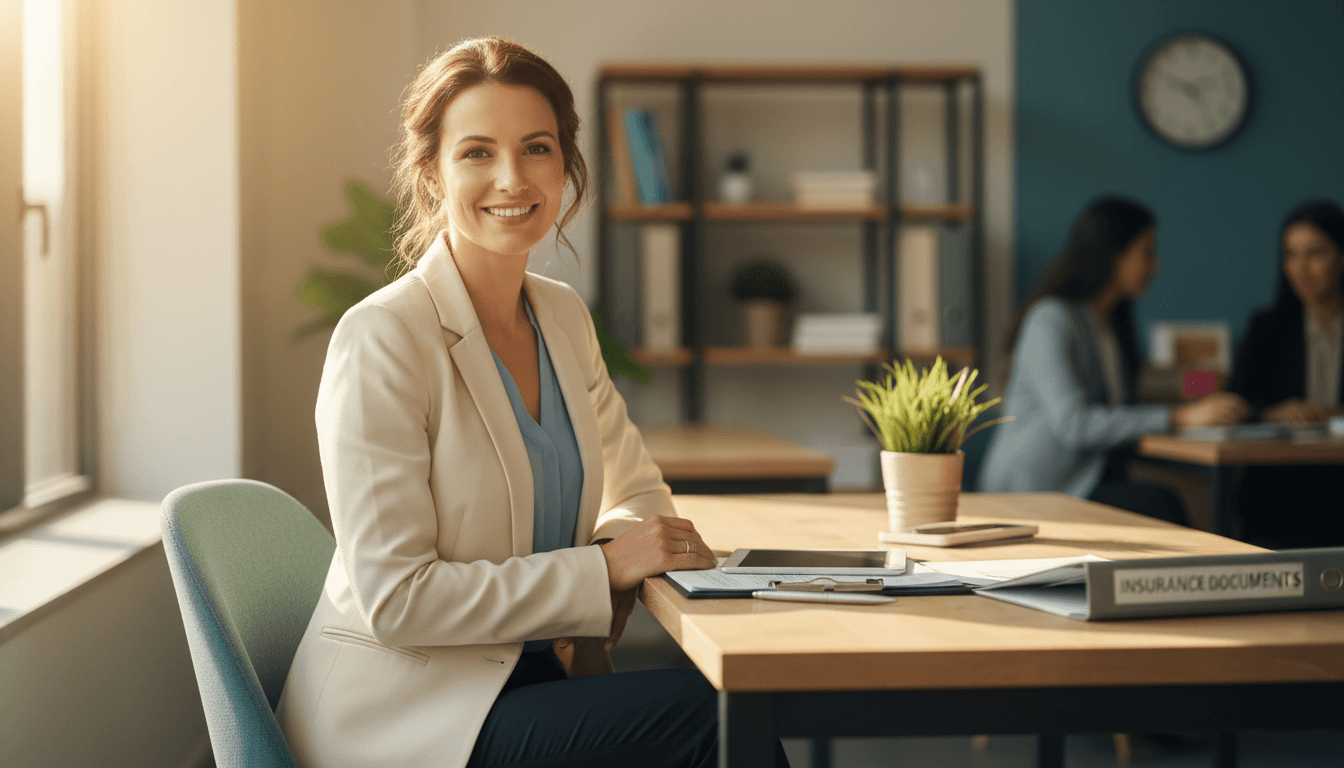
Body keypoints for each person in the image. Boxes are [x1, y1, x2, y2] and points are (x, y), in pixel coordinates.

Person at [276, 38, 783, 768]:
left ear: (565, 165)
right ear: (430, 174)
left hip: (526, 677)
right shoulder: (383, 336)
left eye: (536, 148)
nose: (511, 177)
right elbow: (397, 600)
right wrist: (601, 572)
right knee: (710, 721)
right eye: (476, 152)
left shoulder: (562, 316)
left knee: (718, 710)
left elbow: (636, 485)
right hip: (404, 717)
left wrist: (628, 540)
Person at [979, 197, 1248, 523]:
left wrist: (1202, 385)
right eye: (1147, 252)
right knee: (1163, 503)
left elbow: (1136, 389)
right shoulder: (1051, 319)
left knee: (1186, 493)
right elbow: (1075, 423)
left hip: (1082, 480)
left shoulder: (1106, 325)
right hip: (1035, 489)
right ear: (1113, 255)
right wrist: (1180, 417)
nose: (1156, 266)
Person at [1225, 200, 1344, 548]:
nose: (1301, 268)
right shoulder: (1267, 327)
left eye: (1315, 253)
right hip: (1281, 485)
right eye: (1291, 255)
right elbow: (1235, 404)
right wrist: (1273, 412)